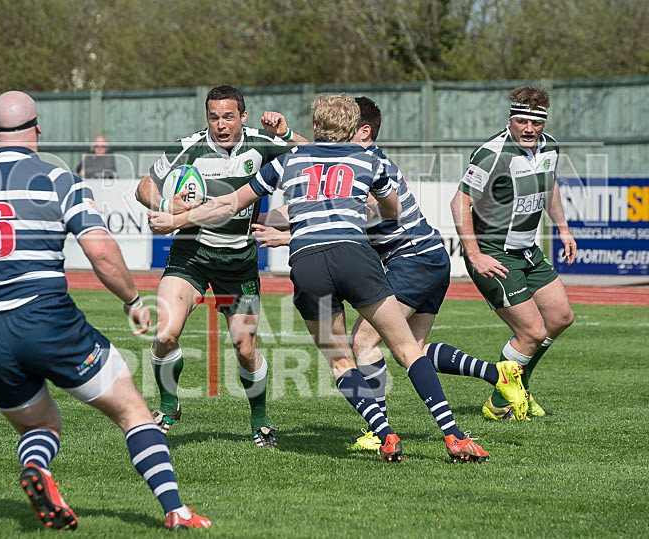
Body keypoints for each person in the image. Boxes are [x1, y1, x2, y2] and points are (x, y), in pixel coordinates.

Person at [0, 91, 210, 531]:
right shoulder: (56, 177)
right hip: (45, 318)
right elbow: (101, 252)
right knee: (132, 410)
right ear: (37, 127)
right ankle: (176, 510)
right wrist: (132, 300)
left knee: (40, 423)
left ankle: (37, 470)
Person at [149, 93, 490, 463]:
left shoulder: (290, 160)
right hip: (354, 257)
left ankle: (385, 434)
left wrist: (177, 220)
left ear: (314, 127)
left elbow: (232, 203)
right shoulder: (368, 159)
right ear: (350, 128)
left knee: (340, 361)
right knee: (407, 348)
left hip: (308, 263)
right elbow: (391, 210)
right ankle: (454, 436)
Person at [251, 96, 528, 454]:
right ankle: (497, 374)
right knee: (411, 348)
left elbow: (347, 218)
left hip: (410, 259)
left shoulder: (369, 162)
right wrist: (288, 134)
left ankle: (378, 429)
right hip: (427, 257)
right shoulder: (358, 160)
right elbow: (320, 165)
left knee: (364, 343)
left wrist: (290, 235)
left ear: (361, 132)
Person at [134, 85, 305, 447]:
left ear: (243, 117)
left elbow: (314, 158)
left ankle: (260, 423)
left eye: (229, 117)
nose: (221, 124)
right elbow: (144, 186)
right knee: (165, 334)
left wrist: (286, 134)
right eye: (214, 117)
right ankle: (167, 406)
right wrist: (167, 202)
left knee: (245, 348)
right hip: (190, 255)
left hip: (239, 261)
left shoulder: (263, 143)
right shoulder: (190, 147)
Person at [450, 85, 576, 420]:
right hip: (494, 252)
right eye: (522, 121)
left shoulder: (549, 147)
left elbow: (548, 187)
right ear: (511, 120)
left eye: (535, 123)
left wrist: (562, 228)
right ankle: (498, 403)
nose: (529, 129)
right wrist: (474, 255)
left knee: (561, 317)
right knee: (532, 332)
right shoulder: (491, 153)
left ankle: (521, 387)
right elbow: (459, 202)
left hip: (527, 250)